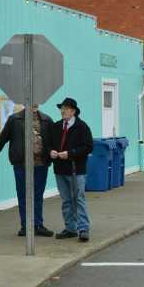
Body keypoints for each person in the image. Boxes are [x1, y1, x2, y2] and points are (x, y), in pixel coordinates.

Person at [0, 105, 54, 237]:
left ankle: (38, 225)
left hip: (41, 165)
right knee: (23, 196)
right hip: (21, 165)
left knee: (37, 196)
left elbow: (53, 141)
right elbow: (2, 138)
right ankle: (25, 226)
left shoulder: (46, 120)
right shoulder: (14, 120)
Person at [50, 98, 94, 242]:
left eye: (66, 108)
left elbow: (88, 147)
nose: (63, 111)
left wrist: (70, 153)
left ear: (73, 111)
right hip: (60, 170)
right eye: (61, 108)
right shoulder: (56, 127)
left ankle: (83, 229)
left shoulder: (82, 127)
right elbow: (49, 144)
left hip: (76, 170)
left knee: (78, 199)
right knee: (66, 200)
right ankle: (70, 228)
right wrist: (51, 152)